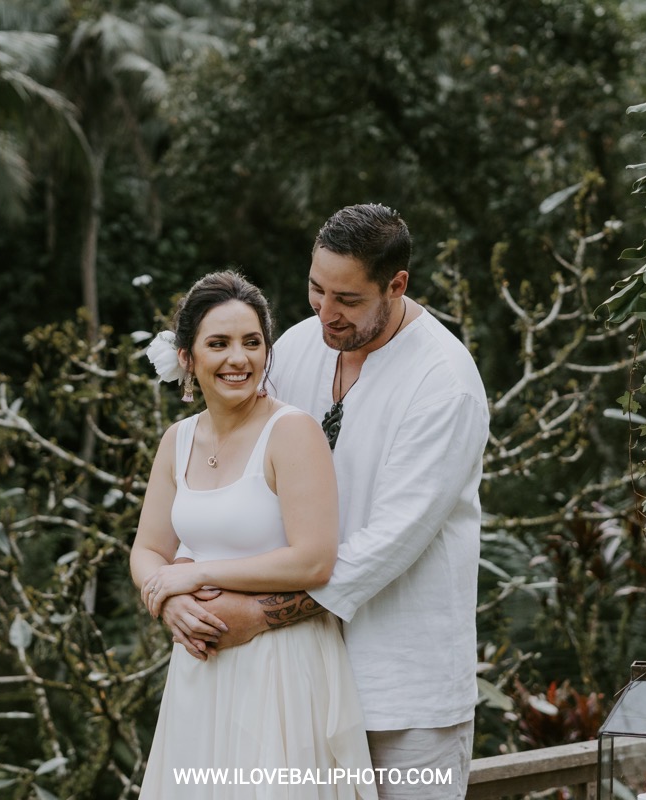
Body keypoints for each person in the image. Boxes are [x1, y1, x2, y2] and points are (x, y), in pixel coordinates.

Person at [163, 205, 490, 800]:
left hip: (403, 693)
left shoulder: (445, 385)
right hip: (296, 683)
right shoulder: (296, 346)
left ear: (396, 285)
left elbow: (386, 546)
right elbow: (235, 467)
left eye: (348, 299)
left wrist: (256, 613)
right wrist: (178, 589)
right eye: (316, 288)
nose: (326, 312)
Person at [131, 270, 377, 799]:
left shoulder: (291, 431)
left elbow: (314, 560)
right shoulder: (177, 440)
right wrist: (167, 602)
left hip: (281, 667)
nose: (238, 358)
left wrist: (194, 575)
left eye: (252, 342)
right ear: (187, 357)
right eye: (218, 343)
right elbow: (149, 549)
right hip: (201, 666)